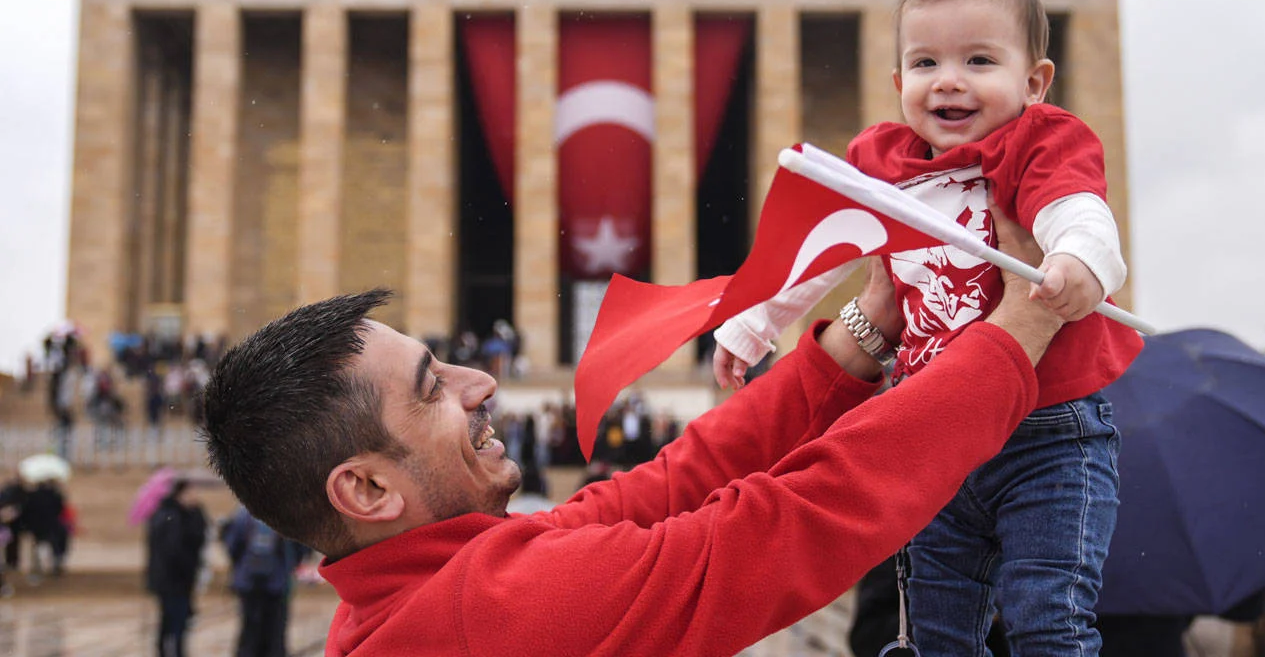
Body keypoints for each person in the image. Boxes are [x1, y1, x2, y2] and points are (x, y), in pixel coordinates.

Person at [198, 206, 1064, 656]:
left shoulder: (423, 591)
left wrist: (862, 331)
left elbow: (668, 486)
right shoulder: (496, 615)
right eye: (432, 390)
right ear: (366, 488)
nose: (481, 383)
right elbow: (787, 524)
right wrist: (1016, 338)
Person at [712, 0, 1144, 656]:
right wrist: (754, 322)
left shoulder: (1039, 141)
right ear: (898, 84)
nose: (948, 79)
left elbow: (1077, 207)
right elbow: (821, 249)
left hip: (1047, 431)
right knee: (935, 626)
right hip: (934, 424)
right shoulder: (885, 165)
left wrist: (1078, 261)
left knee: (1047, 616)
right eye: (925, 62)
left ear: (1034, 83)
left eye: (978, 60)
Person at [222, 505, 307, 657]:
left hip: (249, 582)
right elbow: (299, 547)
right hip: (277, 582)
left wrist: (240, 568)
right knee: (275, 631)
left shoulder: (243, 514)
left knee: (250, 630)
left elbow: (233, 546)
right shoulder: (286, 515)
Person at [146, 478, 208, 657]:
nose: (195, 496)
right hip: (172, 580)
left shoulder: (186, 514)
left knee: (175, 620)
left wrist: (197, 512)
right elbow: (173, 550)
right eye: (191, 492)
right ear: (181, 494)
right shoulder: (170, 516)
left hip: (180, 580)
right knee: (173, 621)